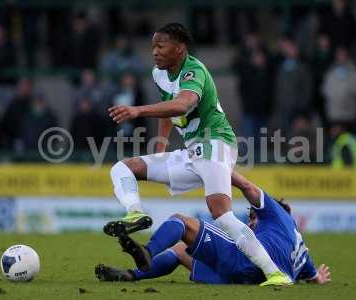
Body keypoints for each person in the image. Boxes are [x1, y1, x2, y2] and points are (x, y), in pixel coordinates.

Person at [105, 22, 290, 286]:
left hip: (216, 143)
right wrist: (160, 147)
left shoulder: (194, 71)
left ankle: (275, 273)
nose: (154, 52)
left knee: (222, 216)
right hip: (193, 151)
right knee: (123, 168)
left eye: (161, 46)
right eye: (152, 47)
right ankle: (135, 214)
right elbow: (169, 109)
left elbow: (184, 103)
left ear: (179, 49)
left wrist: (137, 111)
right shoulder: (159, 74)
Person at [95, 179, 331, 286]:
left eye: (252, 217)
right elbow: (312, 277)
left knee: (182, 223)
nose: (250, 222)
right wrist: (318, 278)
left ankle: (147, 251)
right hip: (240, 280)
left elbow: (247, 186)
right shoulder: (300, 247)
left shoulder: (275, 215)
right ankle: (131, 275)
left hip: (242, 263)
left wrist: (217, 171)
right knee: (179, 250)